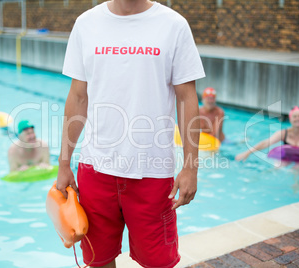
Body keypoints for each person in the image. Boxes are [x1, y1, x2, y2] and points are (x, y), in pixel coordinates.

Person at [57, 0, 205, 267]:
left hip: (153, 173)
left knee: (159, 263)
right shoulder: (86, 24)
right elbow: (78, 97)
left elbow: (187, 97)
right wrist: (64, 163)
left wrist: (190, 167)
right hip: (96, 170)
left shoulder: (174, 26)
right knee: (99, 261)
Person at [235, 106, 299, 174]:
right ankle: (259, 178)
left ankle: (297, 184)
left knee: (295, 170)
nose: (297, 119)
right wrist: (247, 153)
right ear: (290, 119)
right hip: (287, 156)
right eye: (295, 117)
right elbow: (266, 143)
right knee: (277, 168)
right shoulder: (283, 133)